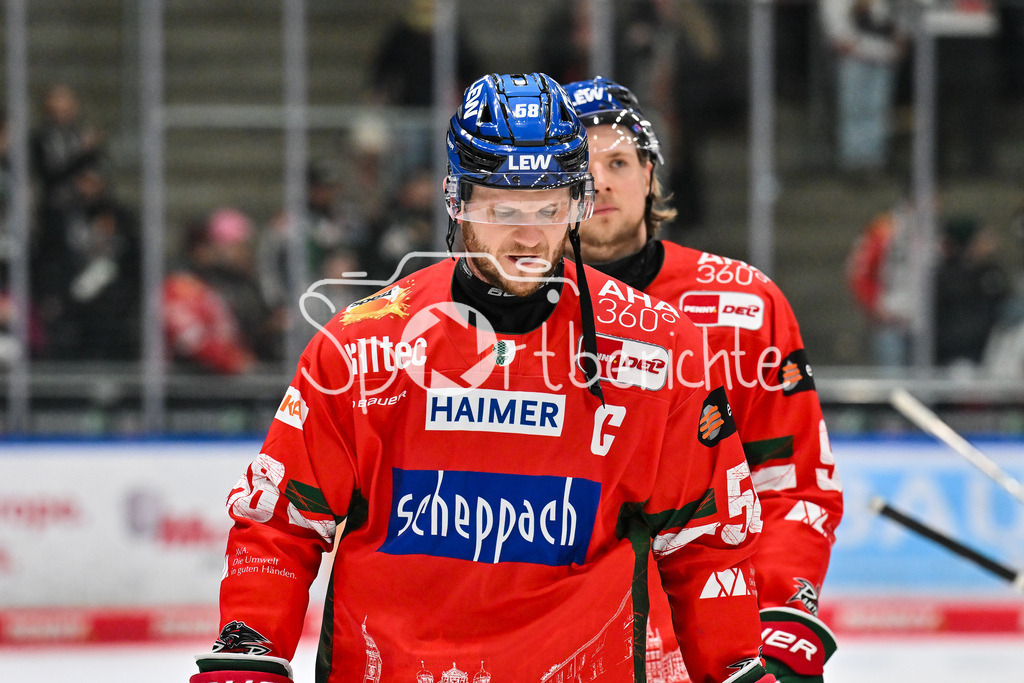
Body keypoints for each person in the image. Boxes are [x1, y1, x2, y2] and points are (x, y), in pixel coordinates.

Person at [191, 73, 777, 683]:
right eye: (504, 209)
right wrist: (249, 653)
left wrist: (737, 668)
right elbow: (280, 522)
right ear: (457, 200)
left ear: (577, 203)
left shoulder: (661, 348)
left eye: (550, 208)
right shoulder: (361, 346)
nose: (529, 236)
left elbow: (707, 541)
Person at [564, 76, 843, 682]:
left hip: (715, 643)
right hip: (560, 641)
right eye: (580, 169)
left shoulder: (742, 303)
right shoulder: (503, 317)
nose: (602, 182)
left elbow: (791, 484)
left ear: (651, 176)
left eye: (618, 161)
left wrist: (780, 613)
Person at [819, 0, 908, 177]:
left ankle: (874, 161)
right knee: (854, 109)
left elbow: (897, 15)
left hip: (883, 54)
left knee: (878, 108)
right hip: (853, 54)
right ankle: (853, 162)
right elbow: (833, 13)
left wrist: (901, 38)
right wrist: (839, 37)